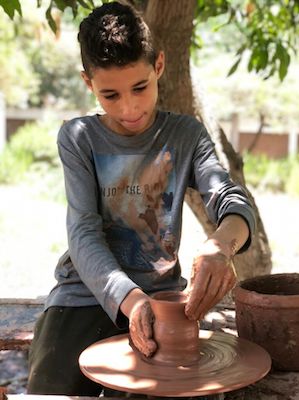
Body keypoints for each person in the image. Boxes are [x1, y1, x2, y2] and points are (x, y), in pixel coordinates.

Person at [27, 1, 255, 396]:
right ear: (88, 83)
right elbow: (83, 233)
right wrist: (130, 301)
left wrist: (223, 245)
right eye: (109, 95)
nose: (129, 108)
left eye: (140, 87)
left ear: (160, 67)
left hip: (164, 298)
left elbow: (230, 198)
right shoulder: (78, 138)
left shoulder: (186, 135)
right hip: (83, 294)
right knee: (50, 389)